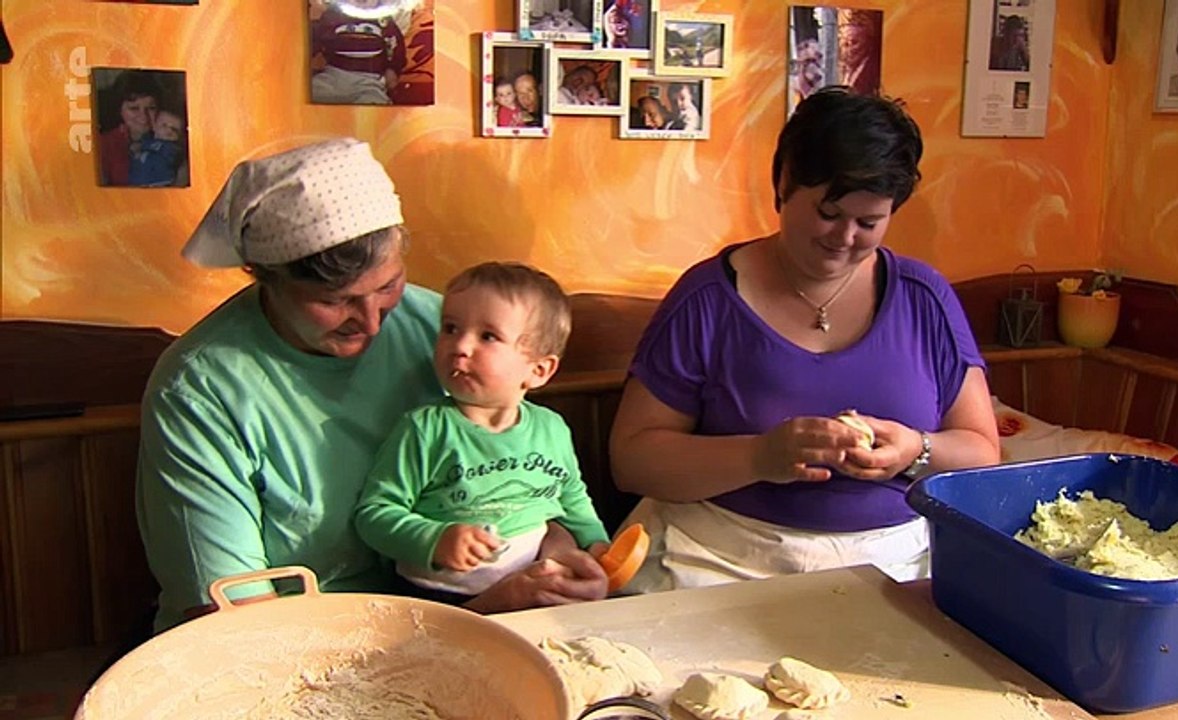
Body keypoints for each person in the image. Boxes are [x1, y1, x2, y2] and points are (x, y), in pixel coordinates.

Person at [136, 138, 608, 633]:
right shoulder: (200, 389)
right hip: (297, 639)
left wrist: (560, 557)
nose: (371, 322)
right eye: (335, 301)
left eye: (387, 286)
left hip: (461, 614)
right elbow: (237, 622)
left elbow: (521, 476)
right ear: (262, 279)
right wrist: (480, 612)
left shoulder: (444, 327)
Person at [608, 87, 1000, 593]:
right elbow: (632, 460)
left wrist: (915, 450)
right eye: (828, 213)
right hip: (722, 558)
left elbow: (981, 451)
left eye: (868, 222)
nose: (844, 237)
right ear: (783, 185)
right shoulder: (706, 299)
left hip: (897, 561)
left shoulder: (925, 298)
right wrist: (759, 458)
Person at [355, 262, 611, 601]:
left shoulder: (551, 428)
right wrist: (435, 539)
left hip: (534, 589)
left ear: (538, 370)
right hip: (442, 597)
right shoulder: (425, 429)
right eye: (450, 328)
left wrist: (599, 546)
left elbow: (571, 497)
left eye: (487, 336)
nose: (460, 346)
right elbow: (374, 514)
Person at [309, 0, 407, 105]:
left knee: (373, 102)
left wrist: (393, 69)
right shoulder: (333, 15)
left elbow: (396, 46)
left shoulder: (383, 21)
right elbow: (317, 37)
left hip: (368, 80)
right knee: (312, 92)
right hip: (333, 75)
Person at [97, 70, 160, 187]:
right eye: (134, 108)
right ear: (119, 109)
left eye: (151, 108)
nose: (144, 116)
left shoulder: (170, 138)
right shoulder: (103, 145)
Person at [128, 107, 185, 187]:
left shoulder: (172, 148)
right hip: (137, 181)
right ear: (154, 126)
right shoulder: (146, 141)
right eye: (164, 125)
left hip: (160, 182)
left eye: (174, 129)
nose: (169, 130)